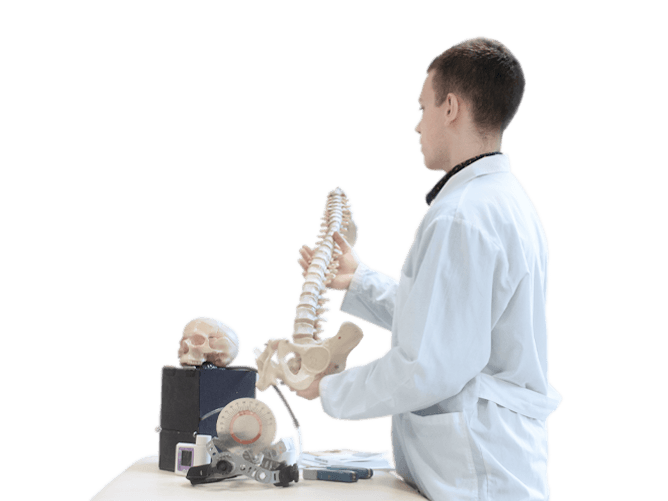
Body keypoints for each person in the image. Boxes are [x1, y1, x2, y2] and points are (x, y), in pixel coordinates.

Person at [291, 34, 563, 500]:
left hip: (476, 473)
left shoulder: (462, 215)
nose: (416, 126)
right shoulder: (502, 200)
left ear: (451, 107)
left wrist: (330, 387)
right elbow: (451, 319)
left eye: (422, 108)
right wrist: (358, 280)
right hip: (489, 461)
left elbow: (428, 364)